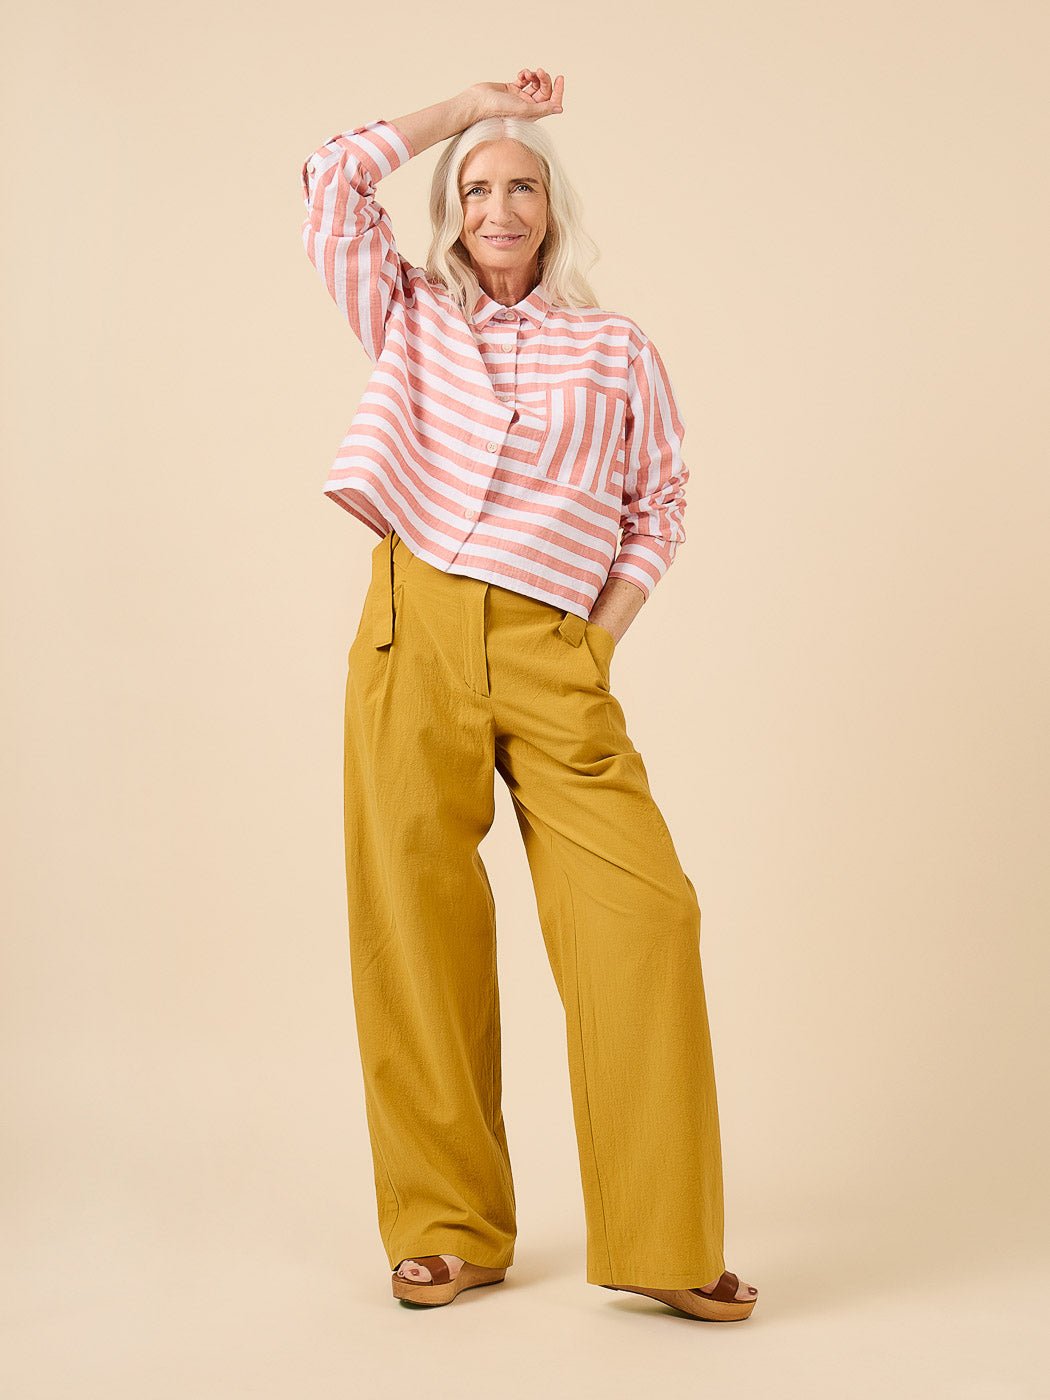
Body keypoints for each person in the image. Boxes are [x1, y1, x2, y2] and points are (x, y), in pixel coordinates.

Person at [300, 68, 758, 1323]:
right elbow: (330, 182)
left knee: (646, 915)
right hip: (414, 631)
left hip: (557, 647)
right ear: (451, 209)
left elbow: (659, 504)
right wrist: (467, 109)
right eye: (477, 188)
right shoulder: (409, 315)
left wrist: (594, 645)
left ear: (554, 208)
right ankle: (448, 1227)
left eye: (522, 187)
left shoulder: (616, 348)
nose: (498, 208)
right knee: (415, 923)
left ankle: (663, 1238)